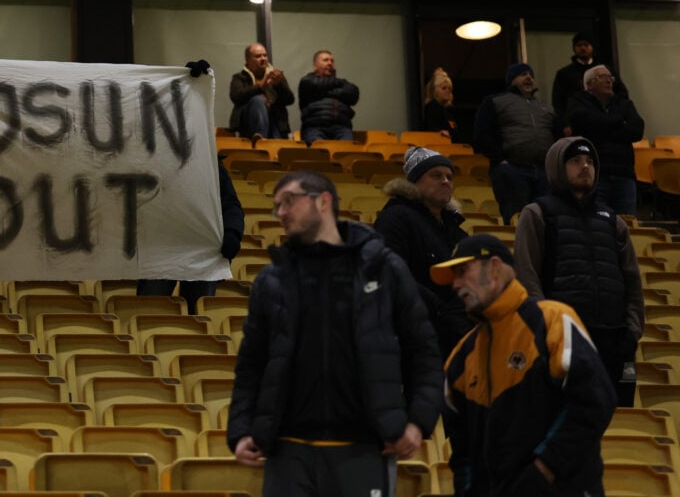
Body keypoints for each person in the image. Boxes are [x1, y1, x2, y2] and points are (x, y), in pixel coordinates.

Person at [227, 170, 443, 497]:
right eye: (276, 205)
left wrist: (417, 423)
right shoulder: (272, 280)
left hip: (365, 447)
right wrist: (241, 430)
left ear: (323, 202)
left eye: (289, 201)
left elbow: (424, 352)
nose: (280, 212)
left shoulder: (383, 269)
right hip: (288, 451)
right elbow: (250, 365)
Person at [432, 234, 617, 497]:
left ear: (494, 268)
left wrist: (545, 470)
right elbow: (462, 450)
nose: (455, 284)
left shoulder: (551, 320)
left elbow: (595, 401)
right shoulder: (461, 357)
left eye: (462, 272)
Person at [514, 136, 644, 406]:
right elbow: (527, 276)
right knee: (567, 421)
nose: (585, 167)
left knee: (620, 421)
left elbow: (632, 281)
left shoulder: (613, 221)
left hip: (615, 341)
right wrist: (546, 328)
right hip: (563, 340)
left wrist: (632, 332)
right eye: (575, 161)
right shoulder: (537, 214)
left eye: (590, 162)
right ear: (557, 167)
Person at [374, 147, 470, 358]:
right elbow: (392, 272)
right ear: (414, 182)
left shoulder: (454, 227)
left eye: (449, 177)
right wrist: (441, 310)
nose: (445, 181)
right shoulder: (395, 218)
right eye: (436, 175)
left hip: (455, 329)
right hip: (415, 331)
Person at [137, 159, 244, 314]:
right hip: (160, 249)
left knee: (199, 314)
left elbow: (229, 205)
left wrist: (231, 233)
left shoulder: (212, 167)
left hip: (202, 252)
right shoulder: (151, 163)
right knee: (152, 311)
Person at [473, 62, 556, 224]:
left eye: (531, 75)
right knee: (516, 220)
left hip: (543, 173)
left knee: (545, 222)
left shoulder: (546, 107)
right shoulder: (495, 101)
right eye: (523, 74)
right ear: (511, 79)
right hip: (512, 171)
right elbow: (481, 134)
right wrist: (499, 160)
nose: (529, 78)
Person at [565, 65, 645, 216]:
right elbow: (584, 122)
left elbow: (637, 131)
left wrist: (601, 127)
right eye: (602, 77)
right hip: (595, 174)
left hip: (624, 173)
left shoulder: (624, 104)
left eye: (610, 77)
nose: (609, 81)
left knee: (626, 223)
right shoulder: (577, 103)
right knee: (596, 221)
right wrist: (619, 121)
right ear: (589, 84)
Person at [551, 31, 629, 125]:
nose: (583, 48)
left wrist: (619, 115)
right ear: (574, 48)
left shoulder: (606, 70)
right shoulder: (564, 74)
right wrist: (565, 124)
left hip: (607, 120)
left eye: (586, 45)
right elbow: (558, 103)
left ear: (592, 47)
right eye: (579, 45)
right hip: (577, 123)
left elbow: (622, 93)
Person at [228, 43, 294, 140]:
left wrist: (279, 85)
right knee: (258, 100)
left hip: (276, 123)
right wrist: (259, 87)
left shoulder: (276, 76)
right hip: (249, 126)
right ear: (247, 59)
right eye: (258, 56)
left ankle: (268, 141)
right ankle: (261, 139)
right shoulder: (239, 78)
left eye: (265, 55)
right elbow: (236, 97)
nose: (263, 58)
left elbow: (290, 100)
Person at [297, 49, 359, 144]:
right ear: (315, 66)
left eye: (332, 61)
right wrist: (340, 86)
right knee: (320, 149)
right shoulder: (307, 81)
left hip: (342, 128)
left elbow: (354, 94)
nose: (330, 63)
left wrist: (325, 91)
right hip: (315, 127)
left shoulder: (342, 83)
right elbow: (313, 84)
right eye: (325, 60)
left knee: (347, 150)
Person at [422, 67, 460, 142]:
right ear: (434, 90)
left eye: (449, 88)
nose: (448, 91)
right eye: (444, 88)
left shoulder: (448, 111)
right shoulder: (432, 108)